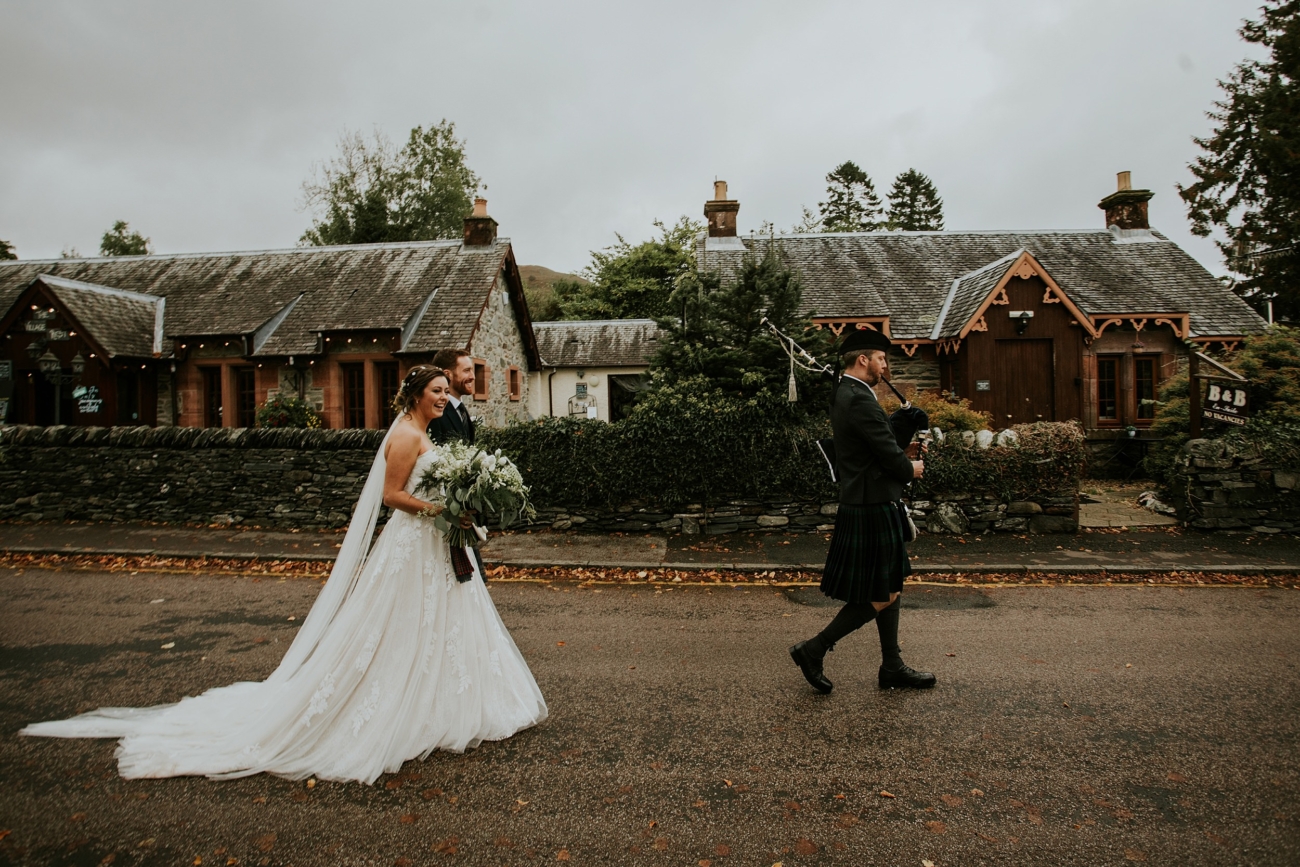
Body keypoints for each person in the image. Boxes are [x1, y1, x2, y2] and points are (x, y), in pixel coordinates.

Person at [20, 366, 547, 784]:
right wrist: (439, 511)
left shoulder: (424, 431)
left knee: (444, 623)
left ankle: (452, 701)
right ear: (415, 395)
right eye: (434, 390)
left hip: (434, 546)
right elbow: (391, 497)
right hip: (414, 545)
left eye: (442, 390)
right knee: (397, 626)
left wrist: (459, 504)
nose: (441, 397)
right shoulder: (407, 437)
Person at [790, 329, 936, 693]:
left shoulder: (849, 392)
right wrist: (910, 468)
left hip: (867, 499)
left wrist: (901, 426)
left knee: (889, 586)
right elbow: (887, 454)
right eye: (882, 359)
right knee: (882, 591)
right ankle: (814, 649)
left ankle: (892, 666)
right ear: (863, 360)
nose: (885, 366)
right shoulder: (859, 398)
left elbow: (876, 441)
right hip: (871, 503)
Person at [427, 348, 476, 444]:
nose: (472, 376)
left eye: (472, 370)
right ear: (447, 375)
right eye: (466, 371)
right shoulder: (435, 412)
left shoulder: (460, 408)